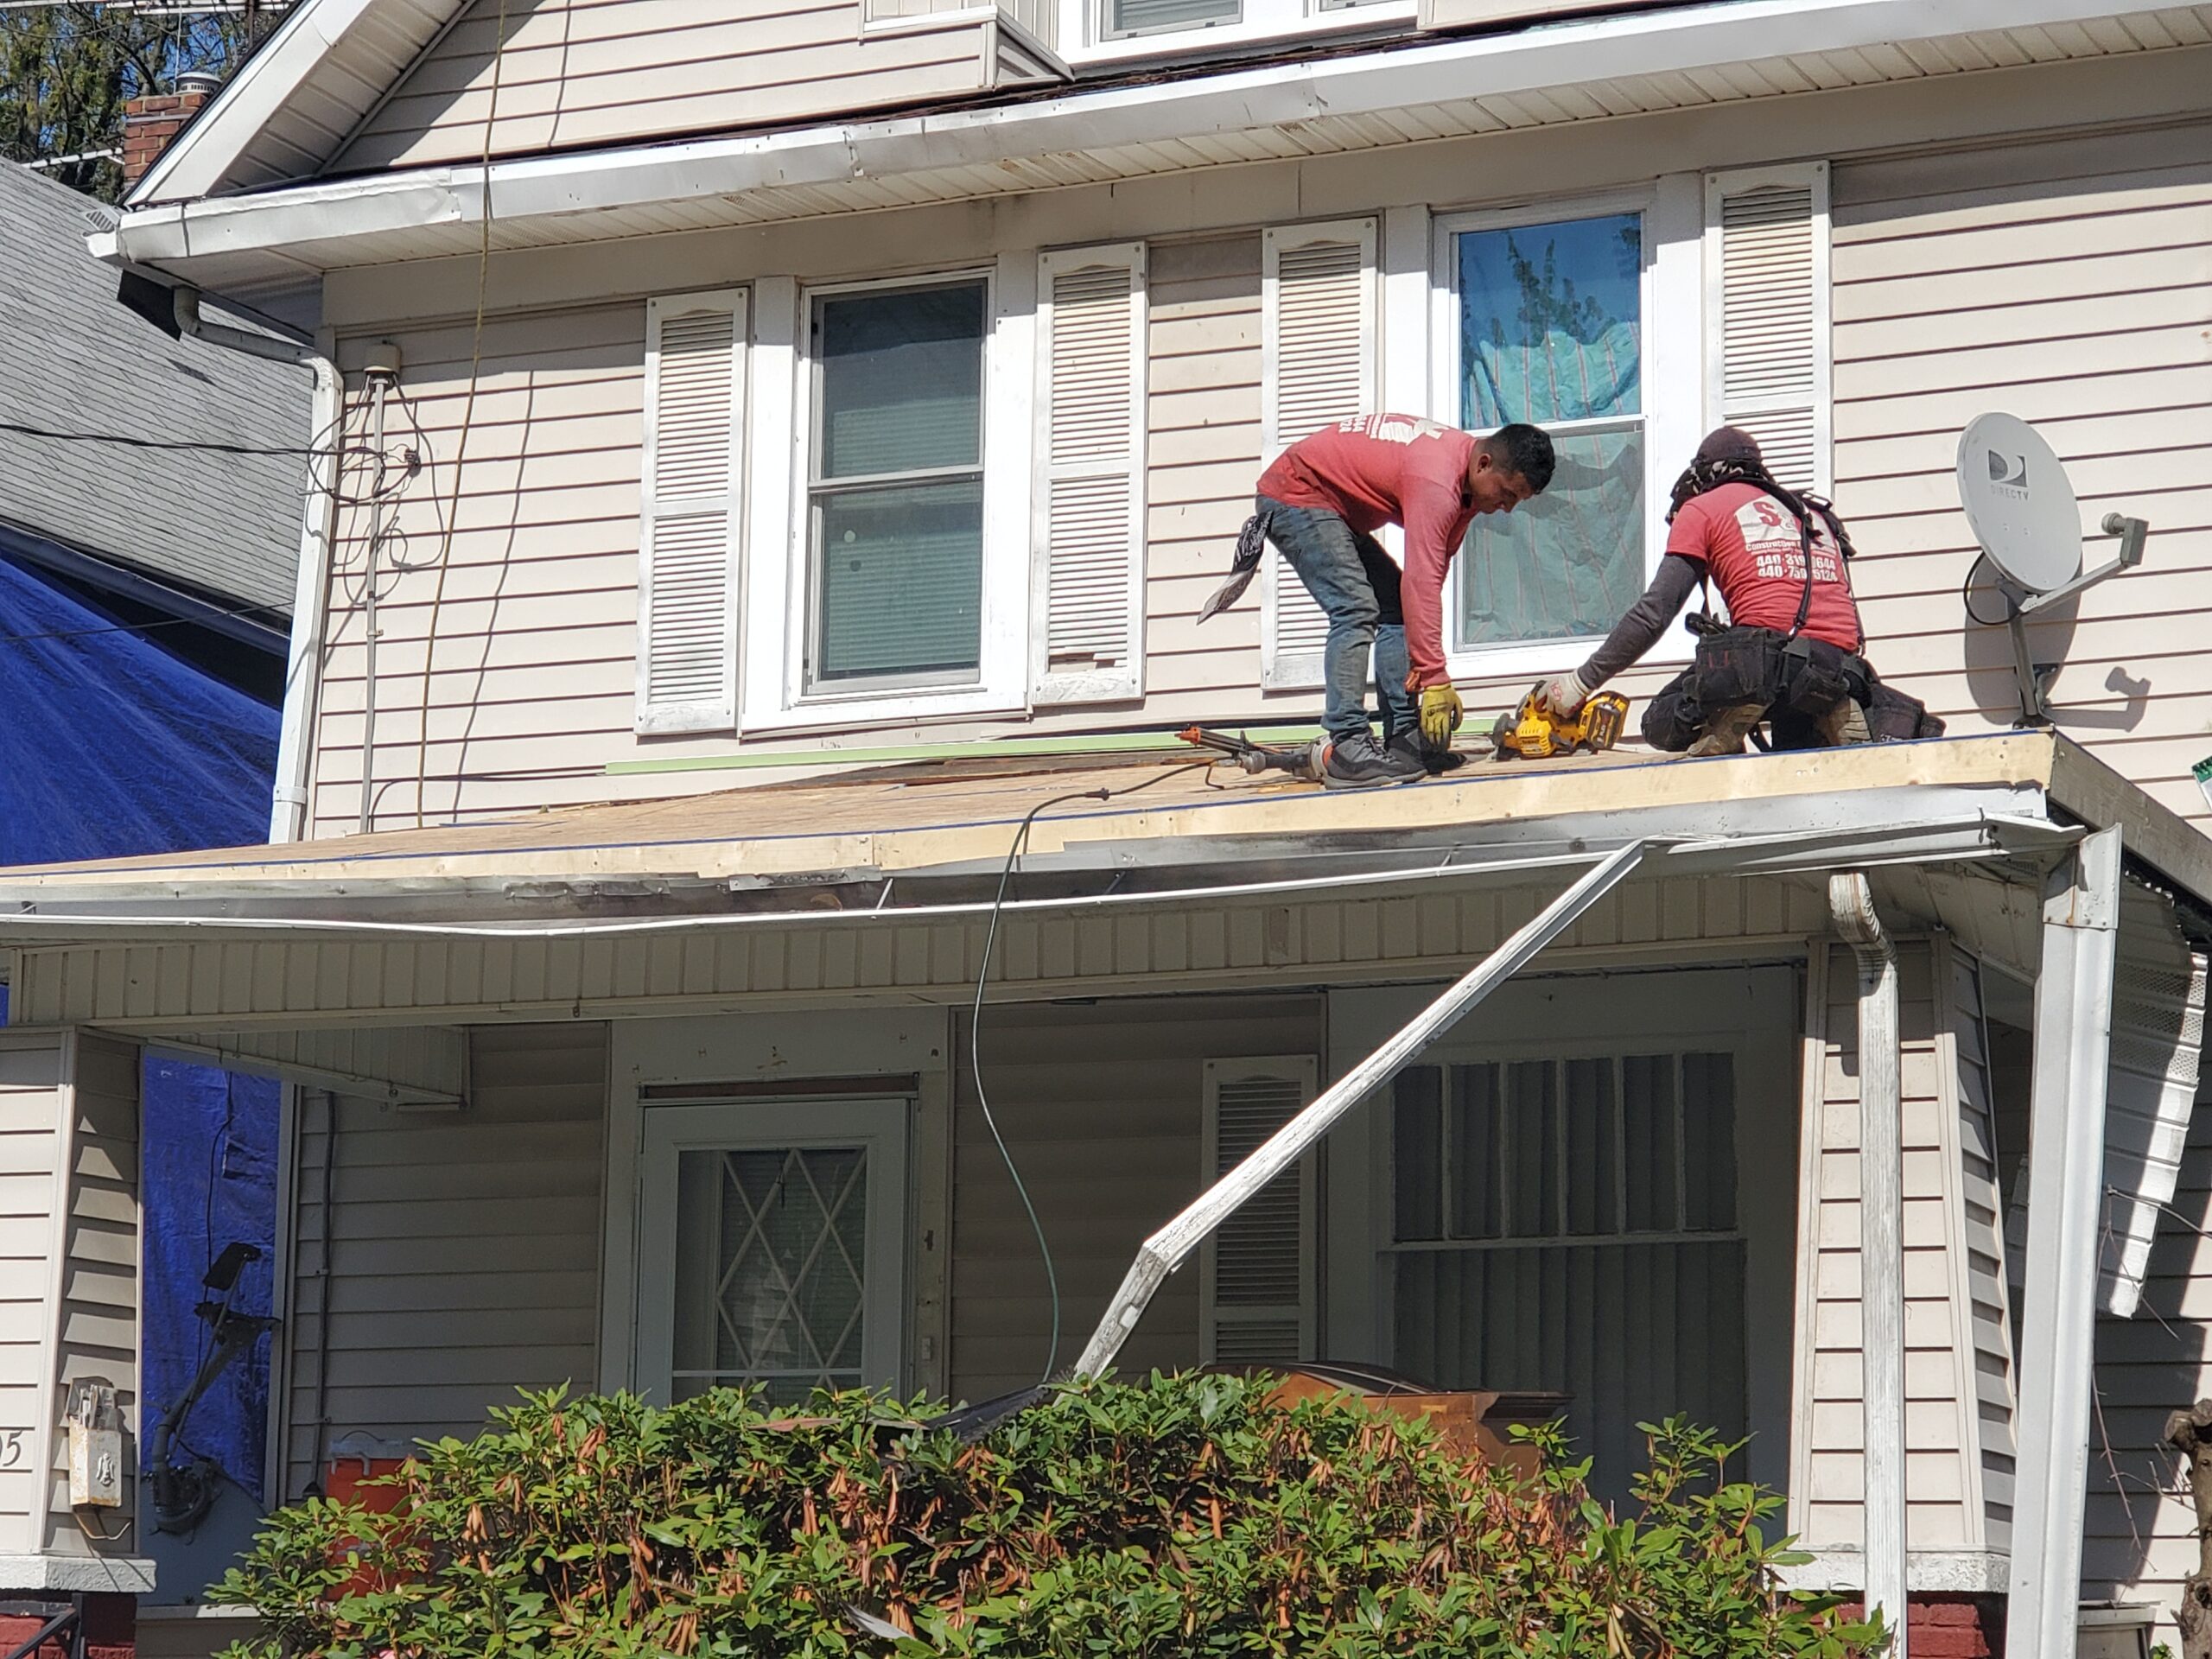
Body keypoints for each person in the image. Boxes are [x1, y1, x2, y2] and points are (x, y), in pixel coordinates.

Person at [1201, 415, 1556, 789]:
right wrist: (1435, 677)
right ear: (1484, 464)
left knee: (1397, 608)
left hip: (1332, 507)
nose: (1508, 507)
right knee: (1355, 608)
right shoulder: (1438, 481)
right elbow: (1421, 578)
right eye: (1508, 493)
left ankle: (1403, 739)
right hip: (1297, 494)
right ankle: (1348, 745)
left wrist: (1423, 661)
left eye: (1517, 500)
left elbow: (1430, 579)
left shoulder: (1468, 488)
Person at [1538, 426, 1894, 757]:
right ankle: (1828, 707)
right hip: (1838, 667)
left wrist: (1580, 682)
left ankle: (1733, 710)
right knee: (1796, 742)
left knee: (1660, 721)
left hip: (1761, 659)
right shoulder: (1813, 514)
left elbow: (1654, 613)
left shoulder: (1703, 508)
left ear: (1705, 472)